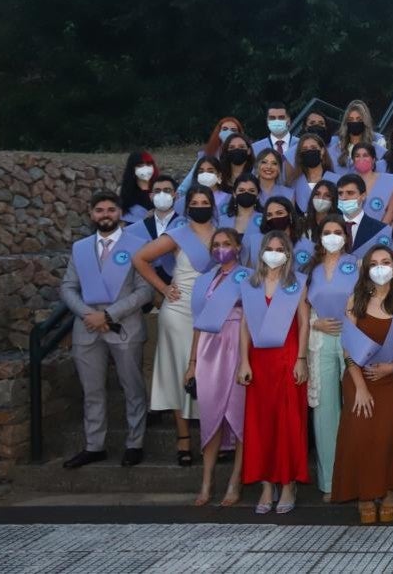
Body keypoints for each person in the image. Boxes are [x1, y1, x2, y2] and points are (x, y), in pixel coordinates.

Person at [59, 191, 155, 469]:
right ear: (91, 213)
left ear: (120, 213)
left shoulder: (138, 245)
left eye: (111, 210)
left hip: (125, 326)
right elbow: (67, 287)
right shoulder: (80, 248)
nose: (105, 215)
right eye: (99, 210)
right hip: (87, 327)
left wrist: (109, 314)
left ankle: (135, 443)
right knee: (92, 391)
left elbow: (145, 290)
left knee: (132, 388)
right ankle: (94, 446)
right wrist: (89, 314)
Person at [133, 185, 218, 467]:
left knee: (210, 373)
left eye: (205, 201)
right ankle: (183, 439)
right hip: (179, 311)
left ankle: (212, 435)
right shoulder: (178, 234)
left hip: (212, 310)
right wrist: (164, 287)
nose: (200, 206)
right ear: (187, 206)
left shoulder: (222, 233)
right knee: (177, 372)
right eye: (195, 202)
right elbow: (140, 259)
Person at [334, 245, 393, 524]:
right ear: (366, 270)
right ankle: (365, 495)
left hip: (391, 379)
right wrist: (361, 387)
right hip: (359, 379)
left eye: (385, 262)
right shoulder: (354, 300)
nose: (380, 268)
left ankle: (390, 491)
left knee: (388, 434)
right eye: (374, 263)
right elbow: (348, 348)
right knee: (360, 433)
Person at [237, 231, 310, 514]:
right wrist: (243, 361)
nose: (275, 253)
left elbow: (304, 323)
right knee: (261, 423)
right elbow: (244, 326)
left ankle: (288, 483)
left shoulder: (296, 284)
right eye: (270, 248)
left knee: (289, 422)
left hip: (289, 357)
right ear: (261, 252)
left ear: (288, 254)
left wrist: (301, 358)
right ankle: (267, 484)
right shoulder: (250, 285)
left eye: (280, 249)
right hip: (259, 361)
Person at [185, 228, 249, 506]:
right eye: (217, 245)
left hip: (237, 345)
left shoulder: (248, 277)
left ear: (237, 247)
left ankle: (236, 480)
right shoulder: (204, 281)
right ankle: (207, 481)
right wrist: (192, 363)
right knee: (210, 414)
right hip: (208, 350)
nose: (221, 249)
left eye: (227, 244)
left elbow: (252, 316)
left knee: (239, 414)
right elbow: (199, 321)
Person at [304, 215, 359, 501]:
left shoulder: (358, 264)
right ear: (319, 236)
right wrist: (315, 322)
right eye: (327, 232)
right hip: (322, 339)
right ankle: (329, 482)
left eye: (338, 232)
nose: (332, 236)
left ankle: (356, 478)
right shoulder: (309, 268)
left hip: (352, 339)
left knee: (356, 407)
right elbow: (300, 307)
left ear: (346, 236)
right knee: (325, 410)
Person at [132, 175, 185, 288]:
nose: (162, 194)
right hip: (146, 288)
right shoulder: (135, 229)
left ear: (175, 195)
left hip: (179, 286)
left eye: (167, 190)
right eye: (157, 191)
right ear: (151, 196)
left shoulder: (186, 224)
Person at [337, 174, 393, 257]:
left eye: (350, 193)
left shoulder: (379, 230)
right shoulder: (329, 226)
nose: (344, 197)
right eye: (340, 193)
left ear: (363, 196)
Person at [289, 134, 340, 213]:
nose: (309, 151)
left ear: (322, 151)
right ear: (300, 155)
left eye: (313, 148)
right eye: (305, 149)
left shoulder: (337, 180)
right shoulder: (294, 183)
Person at [348, 143, 393, 224]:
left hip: (379, 231)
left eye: (365, 155)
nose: (361, 159)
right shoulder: (347, 182)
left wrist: (378, 230)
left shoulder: (387, 180)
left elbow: (391, 211)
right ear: (353, 160)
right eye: (357, 156)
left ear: (373, 159)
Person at [332, 100, 386, 168]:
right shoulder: (335, 146)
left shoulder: (378, 146)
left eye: (359, 120)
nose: (355, 122)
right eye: (351, 120)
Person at [251, 102, 299, 169]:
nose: (277, 121)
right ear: (267, 121)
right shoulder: (255, 148)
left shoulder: (300, 144)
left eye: (281, 117)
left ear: (289, 121)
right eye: (272, 118)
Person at [118, 151, 158, 225]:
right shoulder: (126, 192)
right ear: (132, 168)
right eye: (140, 165)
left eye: (148, 164)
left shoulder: (160, 188)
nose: (145, 168)